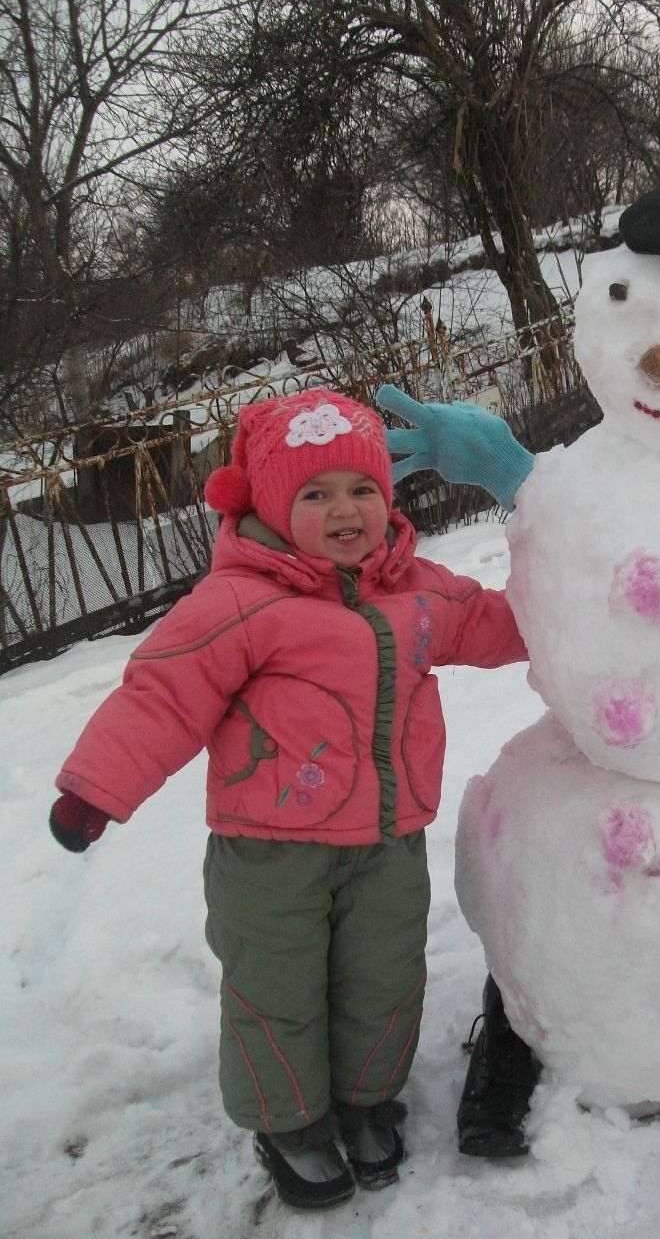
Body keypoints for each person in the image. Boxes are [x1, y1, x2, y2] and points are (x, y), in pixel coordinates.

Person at [48, 387, 527, 1212]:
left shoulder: (421, 591)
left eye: (363, 490)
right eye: (316, 494)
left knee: (383, 978)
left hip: (387, 842)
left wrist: (601, 616)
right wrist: (96, 788)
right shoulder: (240, 603)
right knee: (278, 988)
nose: (346, 510)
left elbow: (503, 624)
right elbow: (161, 696)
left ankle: (367, 1100)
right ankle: (291, 1122)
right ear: (272, 504)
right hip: (269, 851)